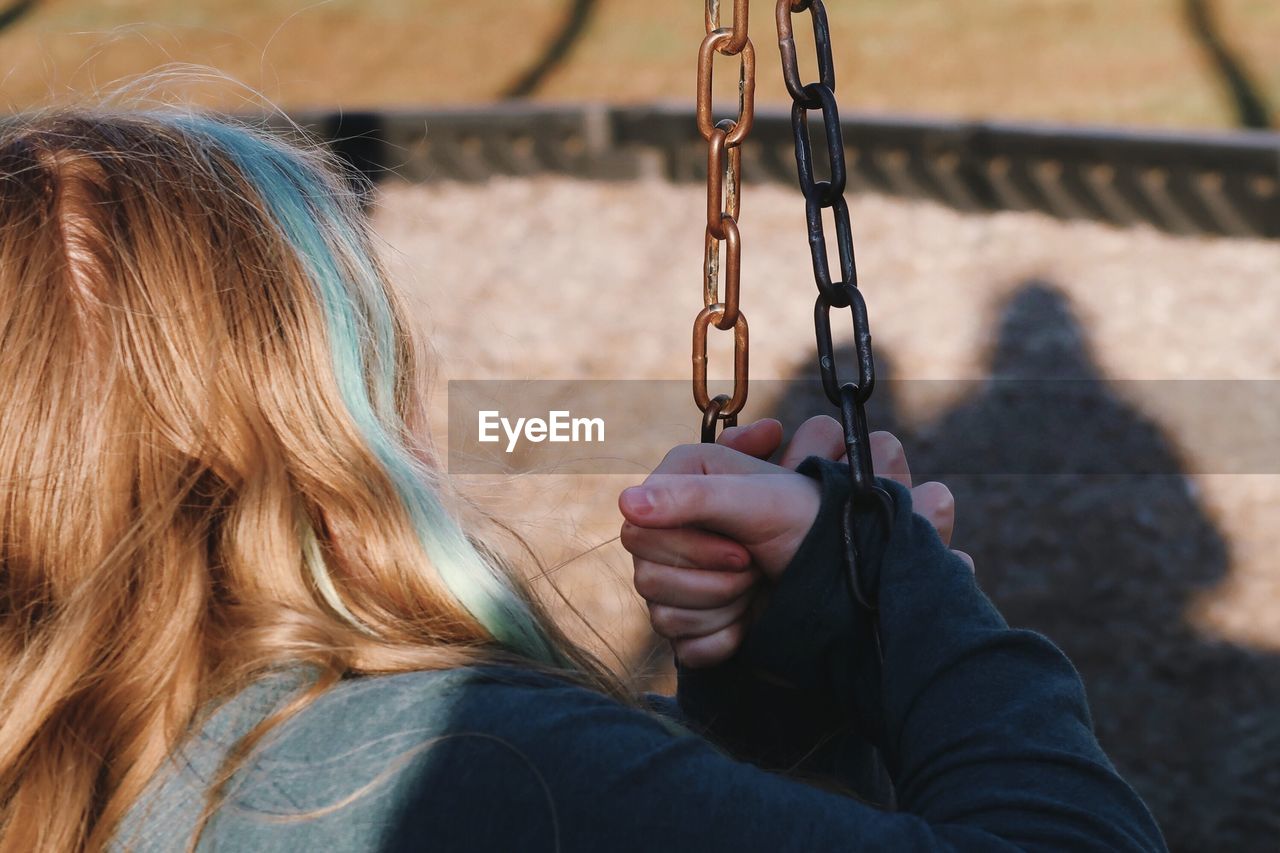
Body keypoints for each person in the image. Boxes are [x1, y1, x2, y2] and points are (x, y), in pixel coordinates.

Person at [0, 107, 1166, 853]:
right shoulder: (443, 763)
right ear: (311, 420)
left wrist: (774, 697)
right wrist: (900, 596)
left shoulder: (80, 753)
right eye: (372, 355)